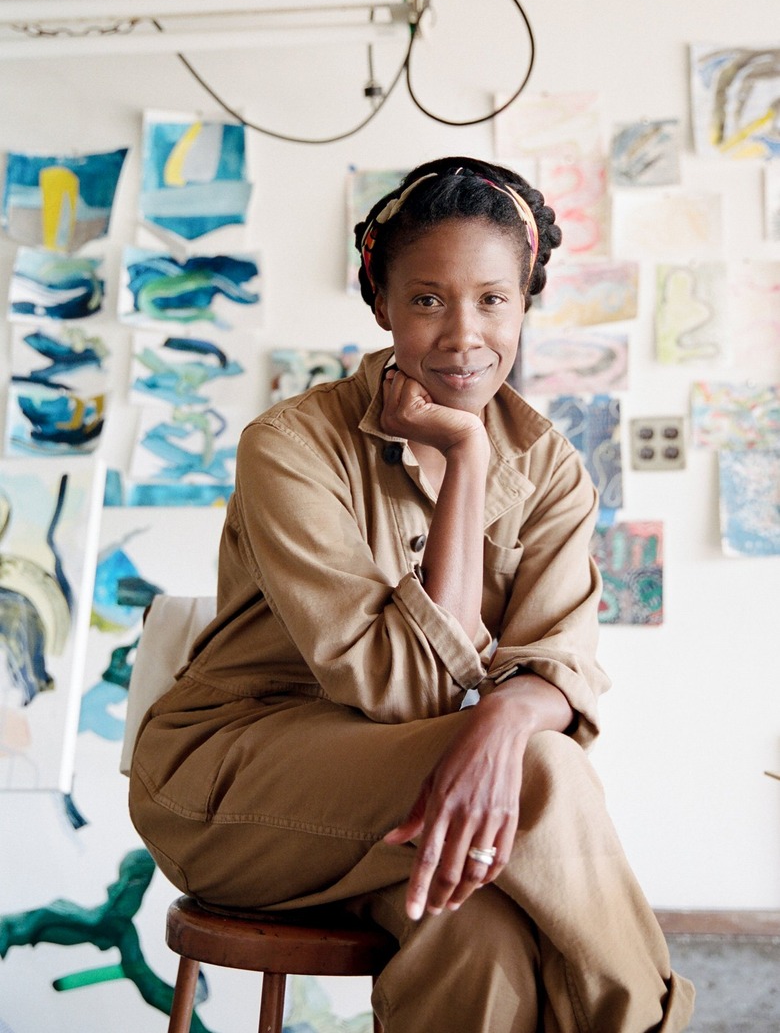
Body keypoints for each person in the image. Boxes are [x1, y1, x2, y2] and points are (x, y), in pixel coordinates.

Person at [129, 156, 695, 1032]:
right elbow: (404, 690)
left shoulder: (551, 468)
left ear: (524, 302)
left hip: (410, 795)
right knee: (547, 771)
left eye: (492, 299)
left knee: (474, 935)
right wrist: (466, 459)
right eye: (428, 299)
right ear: (382, 303)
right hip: (233, 782)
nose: (464, 334)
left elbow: (560, 663)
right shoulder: (289, 446)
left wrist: (503, 721)